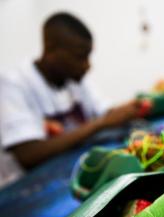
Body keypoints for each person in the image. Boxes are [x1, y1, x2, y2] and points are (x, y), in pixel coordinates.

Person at [0, 12, 150, 174]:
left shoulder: (73, 77)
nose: (87, 66)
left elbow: (105, 113)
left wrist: (129, 110)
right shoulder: (13, 84)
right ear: (50, 48)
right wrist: (100, 123)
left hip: (70, 173)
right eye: (80, 57)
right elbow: (28, 154)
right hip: (26, 190)